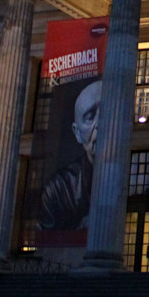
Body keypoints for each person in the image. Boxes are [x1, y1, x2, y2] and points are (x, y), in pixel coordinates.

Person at [38, 79, 100, 230]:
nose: (99, 124)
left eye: (108, 112)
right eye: (90, 116)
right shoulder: (58, 189)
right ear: (77, 132)